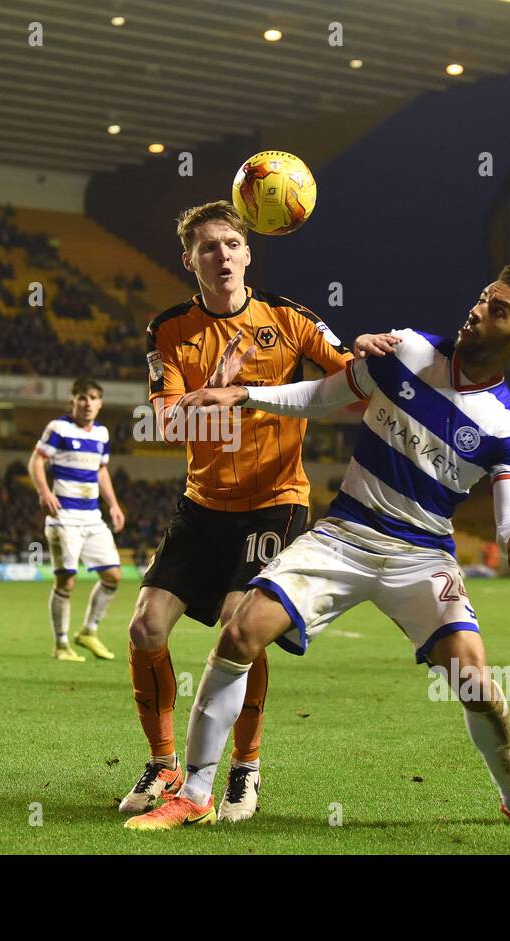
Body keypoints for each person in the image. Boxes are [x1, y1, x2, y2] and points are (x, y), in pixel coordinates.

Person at [127, 265, 510, 830]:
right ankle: (197, 792)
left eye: (498, 310)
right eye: (481, 298)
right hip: (344, 535)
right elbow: (321, 396)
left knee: (476, 683)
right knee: (241, 631)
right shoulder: (408, 350)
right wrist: (244, 394)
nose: (478, 310)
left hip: (421, 557)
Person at [119, 200, 352, 821]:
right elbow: (165, 422)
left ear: (248, 252)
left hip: (274, 503)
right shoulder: (169, 330)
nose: (220, 255)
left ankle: (244, 771)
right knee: (145, 628)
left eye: (230, 243)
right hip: (203, 503)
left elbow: (352, 378)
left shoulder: (291, 319)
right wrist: (208, 387)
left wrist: (374, 350)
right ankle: (164, 764)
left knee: (237, 624)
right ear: (188, 259)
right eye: (206, 246)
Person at [28, 378, 124, 662]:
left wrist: (114, 505)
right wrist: (44, 492)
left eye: (94, 397)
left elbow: (101, 471)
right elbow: (35, 461)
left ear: (100, 403)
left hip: (92, 517)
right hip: (63, 518)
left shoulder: (102, 434)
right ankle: (60, 644)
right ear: (73, 401)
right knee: (66, 581)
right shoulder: (59, 428)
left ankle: (88, 631)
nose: (88, 403)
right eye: (82, 397)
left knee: (113, 576)